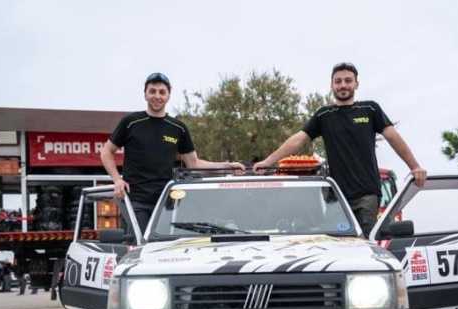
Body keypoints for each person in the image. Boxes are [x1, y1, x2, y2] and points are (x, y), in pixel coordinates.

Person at [254, 62, 427, 237]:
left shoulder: (370, 109)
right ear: (332, 85)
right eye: (338, 81)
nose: (343, 85)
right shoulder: (324, 115)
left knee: (366, 241)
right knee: (338, 244)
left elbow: (393, 137)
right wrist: (268, 161)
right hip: (335, 196)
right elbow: (298, 139)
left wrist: (415, 167)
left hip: (366, 194)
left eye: (348, 80)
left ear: (356, 84)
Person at [100, 72, 245, 232]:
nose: (157, 96)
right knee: (140, 243)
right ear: (145, 94)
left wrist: (227, 166)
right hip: (136, 201)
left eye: (162, 92)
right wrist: (117, 180)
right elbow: (106, 152)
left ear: (168, 95)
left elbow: (194, 164)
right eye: (152, 91)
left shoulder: (178, 128)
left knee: (168, 245)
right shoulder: (131, 122)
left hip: (167, 203)